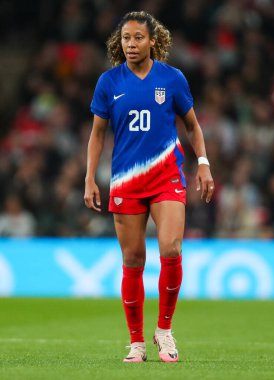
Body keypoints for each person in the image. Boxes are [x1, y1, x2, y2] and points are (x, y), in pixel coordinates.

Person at [84, 11, 214, 363]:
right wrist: (89, 177)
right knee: (133, 259)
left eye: (138, 37)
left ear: (153, 41)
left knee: (171, 248)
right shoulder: (109, 82)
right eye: (126, 38)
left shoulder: (172, 79)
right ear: (119, 42)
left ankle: (165, 331)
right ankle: (137, 342)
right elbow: (97, 135)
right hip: (126, 179)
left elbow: (192, 125)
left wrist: (202, 164)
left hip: (166, 176)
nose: (131, 44)